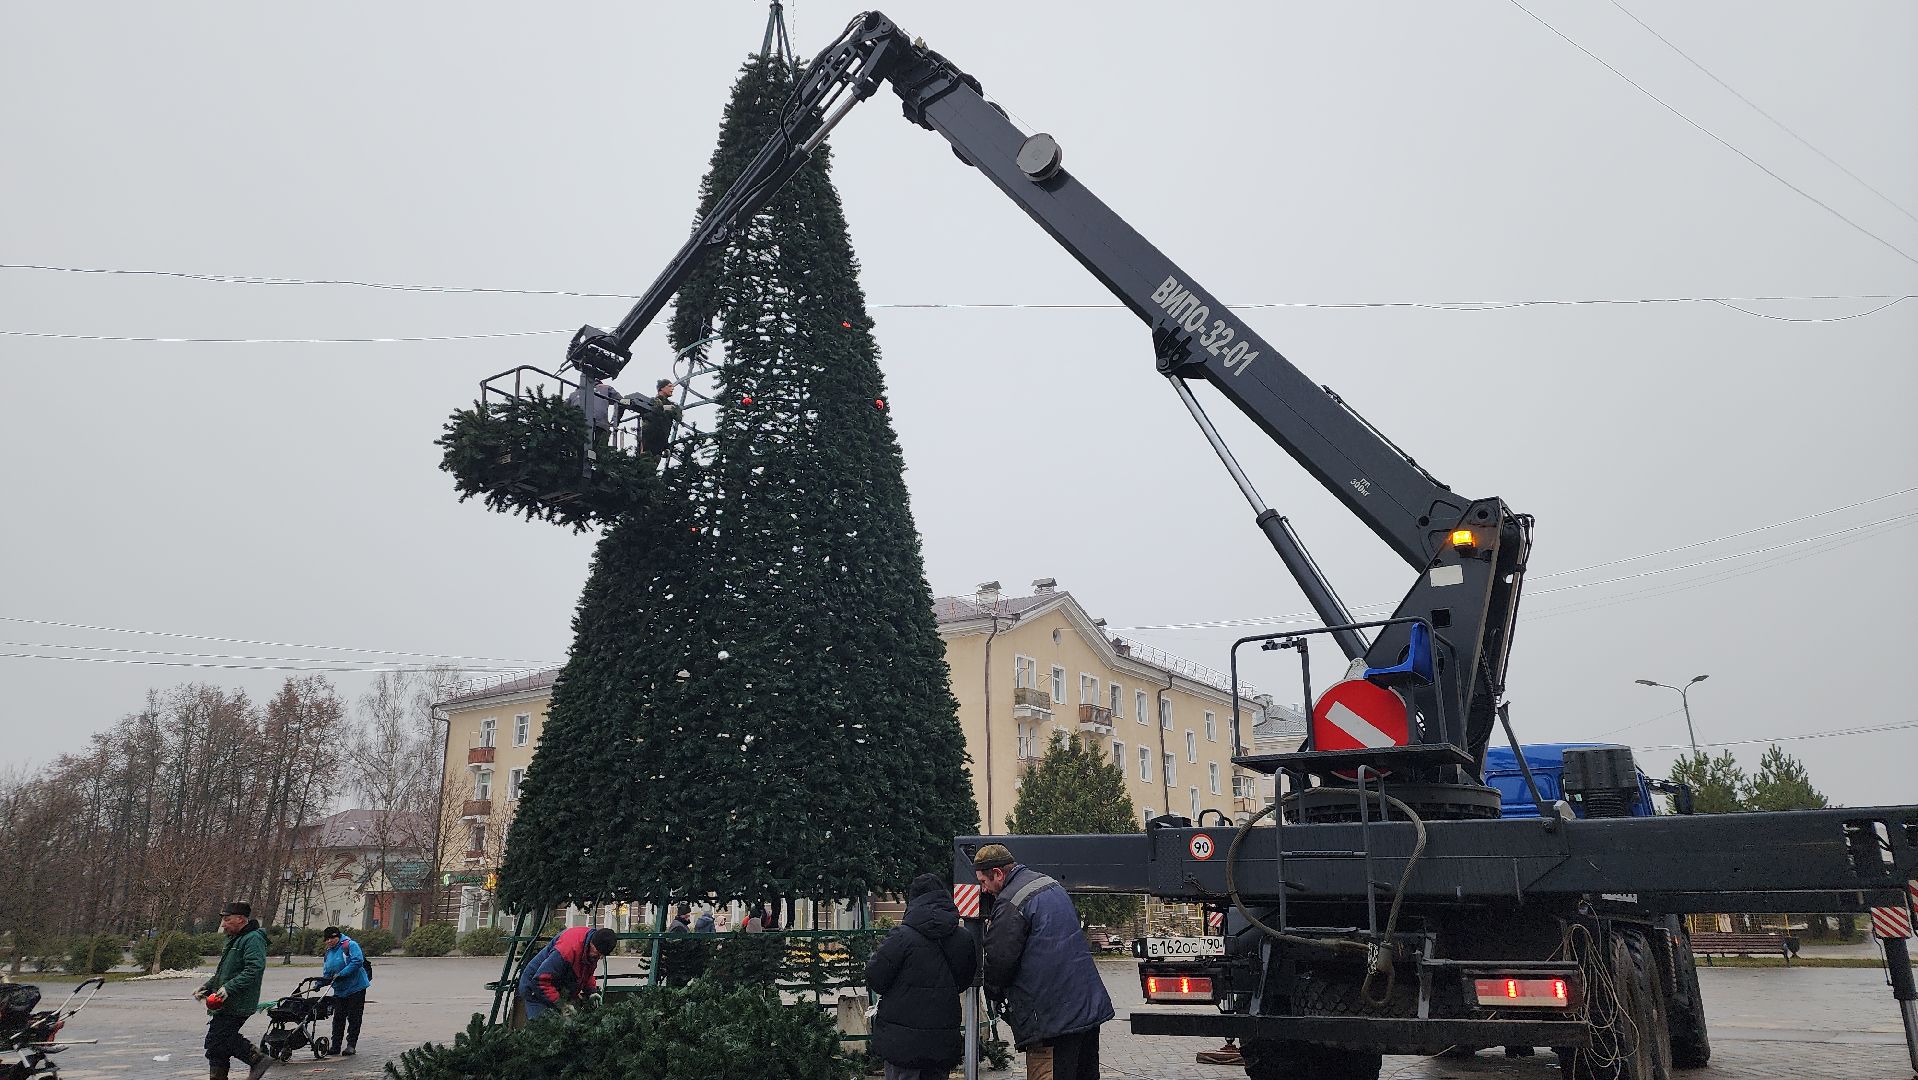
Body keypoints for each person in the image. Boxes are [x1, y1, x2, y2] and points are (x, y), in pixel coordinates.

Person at [974, 843, 1114, 1080]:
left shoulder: (1010, 902)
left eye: (983, 881)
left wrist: (993, 994)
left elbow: (999, 961)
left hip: (1052, 1019)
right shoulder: (1050, 884)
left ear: (997, 873)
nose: (983, 889)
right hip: (1085, 1008)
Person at [866, 874, 977, 1080]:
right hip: (941, 1040)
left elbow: (876, 978)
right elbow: (964, 981)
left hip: (901, 1044)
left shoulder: (900, 937)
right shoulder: (963, 939)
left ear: (914, 901)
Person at [194, 901, 272, 1080]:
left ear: (241, 919)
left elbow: (254, 969)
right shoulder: (234, 938)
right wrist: (206, 988)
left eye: (227, 920)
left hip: (239, 1002)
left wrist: (229, 988)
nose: (223, 924)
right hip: (225, 1002)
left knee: (220, 1039)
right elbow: (223, 973)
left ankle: (258, 1059)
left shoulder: (253, 938)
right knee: (216, 1046)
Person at [516, 926, 615, 1021]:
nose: (600, 957)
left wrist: (592, 991)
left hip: (555, 986)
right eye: (598, 953)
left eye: (602, 955)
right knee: (544, 1027)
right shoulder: (567, 951)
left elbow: (586, 971)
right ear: (592, 943)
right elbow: (540, 981)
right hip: (535, 987)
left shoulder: (592, 947)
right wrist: (562, 1005)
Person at [314, 927, 369, 1058]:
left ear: (338, 937)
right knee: (338, 1018)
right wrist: (320, 983)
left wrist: (342, 973)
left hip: (356, 987)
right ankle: (335, 1046)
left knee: (354, 1017)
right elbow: (328, 971)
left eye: (332, 938)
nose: (329, 941)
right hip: (339, 990)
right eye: (327, 939)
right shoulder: (328, 952)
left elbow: (357, 961)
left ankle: (351, 1045)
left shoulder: (350, 945)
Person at [639, 379, 680, 456]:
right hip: (649, 439)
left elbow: (678, 416)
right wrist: (665, 408)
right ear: (662, 388)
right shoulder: (651, 402)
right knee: (646, 459)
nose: (672, 388)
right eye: (669, 386)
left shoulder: (671, 405)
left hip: (661, 441)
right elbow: (651, 413)